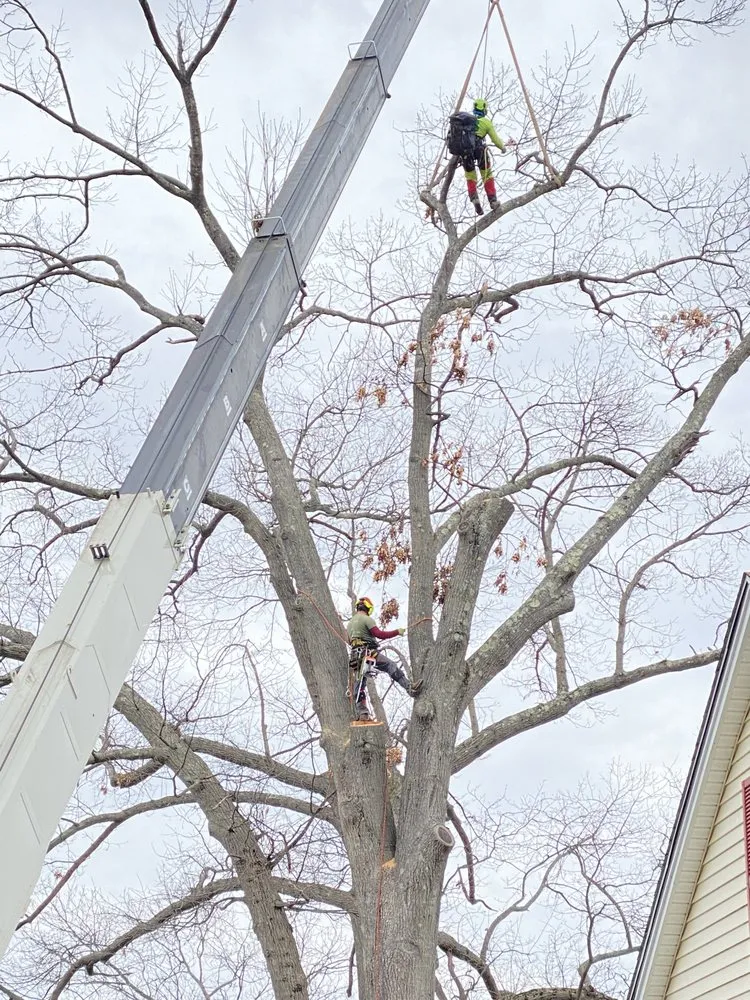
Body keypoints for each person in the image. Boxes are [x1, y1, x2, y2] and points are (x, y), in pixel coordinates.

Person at [346, 596, 422, 721]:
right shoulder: (366, 619)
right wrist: (397, 631)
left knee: (360, 684)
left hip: (356, 656)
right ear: (368, 608)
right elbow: (380, 634)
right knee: (390, 665)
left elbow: (350, 641)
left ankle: (363, 713)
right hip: (368, 653)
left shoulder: (350, 623)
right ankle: (409, 687)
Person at [450, 98, 506, 215]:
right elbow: (495, 139)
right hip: (480, 150)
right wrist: (502, 147)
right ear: (484, 109)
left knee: (470, 176)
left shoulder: (464, 121)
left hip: (466, 152)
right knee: (487, 175)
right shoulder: (486, 122)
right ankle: (493, 201)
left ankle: (474, 198)